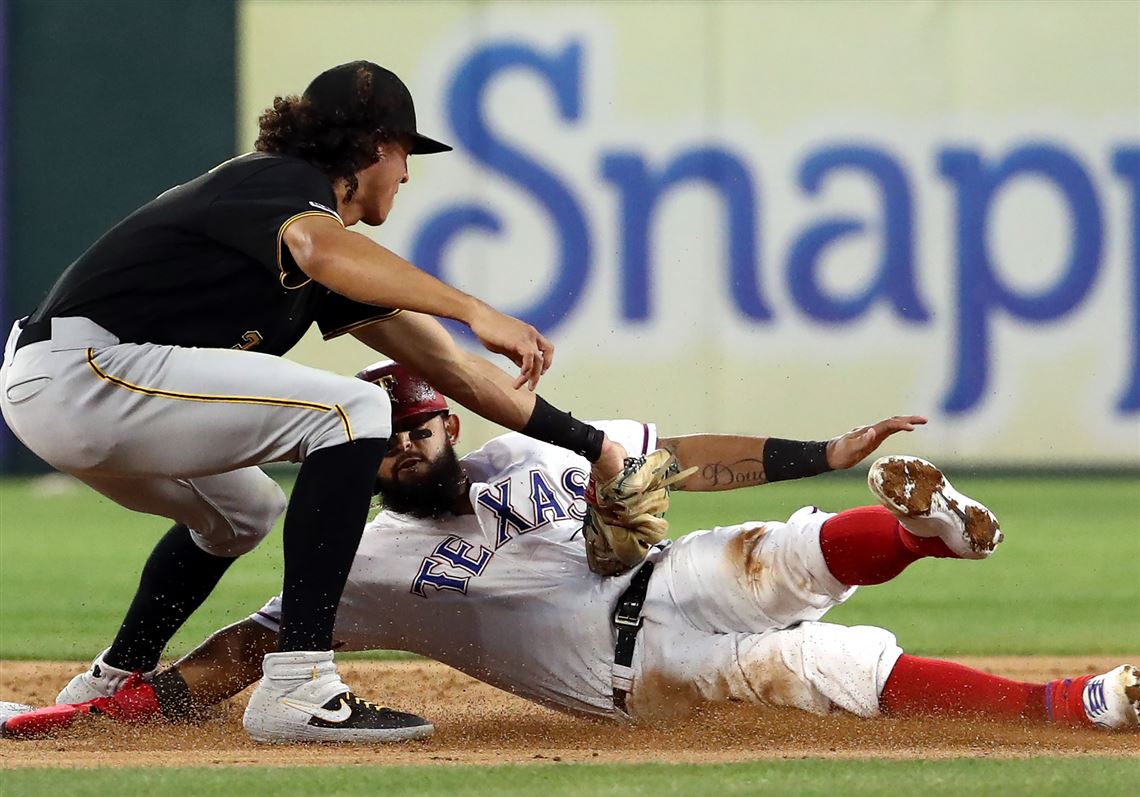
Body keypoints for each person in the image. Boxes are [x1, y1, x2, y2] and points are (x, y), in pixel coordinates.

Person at [0, 61, 630, 744]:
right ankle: (298, 681)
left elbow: (453, 368)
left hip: (86, 388)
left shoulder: (324, 253)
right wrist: (472, 307)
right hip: (80, 372)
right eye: (404, 154)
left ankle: (112, 676)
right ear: (371, 147)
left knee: (245, 509)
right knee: (355, 410)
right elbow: (318, 245)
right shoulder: (280, 184)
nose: (408, 175)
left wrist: (595, 446)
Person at [5, 363, 1135, 738]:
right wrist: (115, 707)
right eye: (396, 439)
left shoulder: (509, 457)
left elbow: (684, 459)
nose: (421, 440)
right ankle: (1083, 702)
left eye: (428, 418)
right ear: (351, 464)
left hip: (663, 571)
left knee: (775, 551)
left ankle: (920, 527)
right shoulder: (351, 565)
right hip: (634, 675)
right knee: (821, 667)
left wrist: (830, 446)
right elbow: (244, 650)